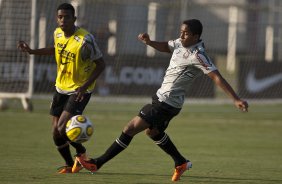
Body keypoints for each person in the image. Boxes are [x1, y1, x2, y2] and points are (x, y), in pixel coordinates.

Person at [77, 19, 248, 181]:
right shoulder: (181, 43)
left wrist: (236, 99)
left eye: (186, 33)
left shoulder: (198, 55)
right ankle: (180, 162)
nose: (182, 36)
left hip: (166, 103)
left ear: (196, 36)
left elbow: (216, 77)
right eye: (181, 32)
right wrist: (150, 42)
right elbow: (167, 46)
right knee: (153, 132)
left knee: (129, 129)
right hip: (166, 100)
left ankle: (96, 163)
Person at [17, 3, 105, 174]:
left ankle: (81, 153)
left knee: (61, 127)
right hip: (60, 87)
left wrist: (84, 86)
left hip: (80, 90)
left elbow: (101, 64)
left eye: (66, 17)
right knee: (55, 133)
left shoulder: (85, 40)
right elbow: (56, 49)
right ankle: (70, 164)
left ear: (74, 19)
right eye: (60, 17)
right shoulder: (57, 33)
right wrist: (32, 51)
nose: (63, 20)